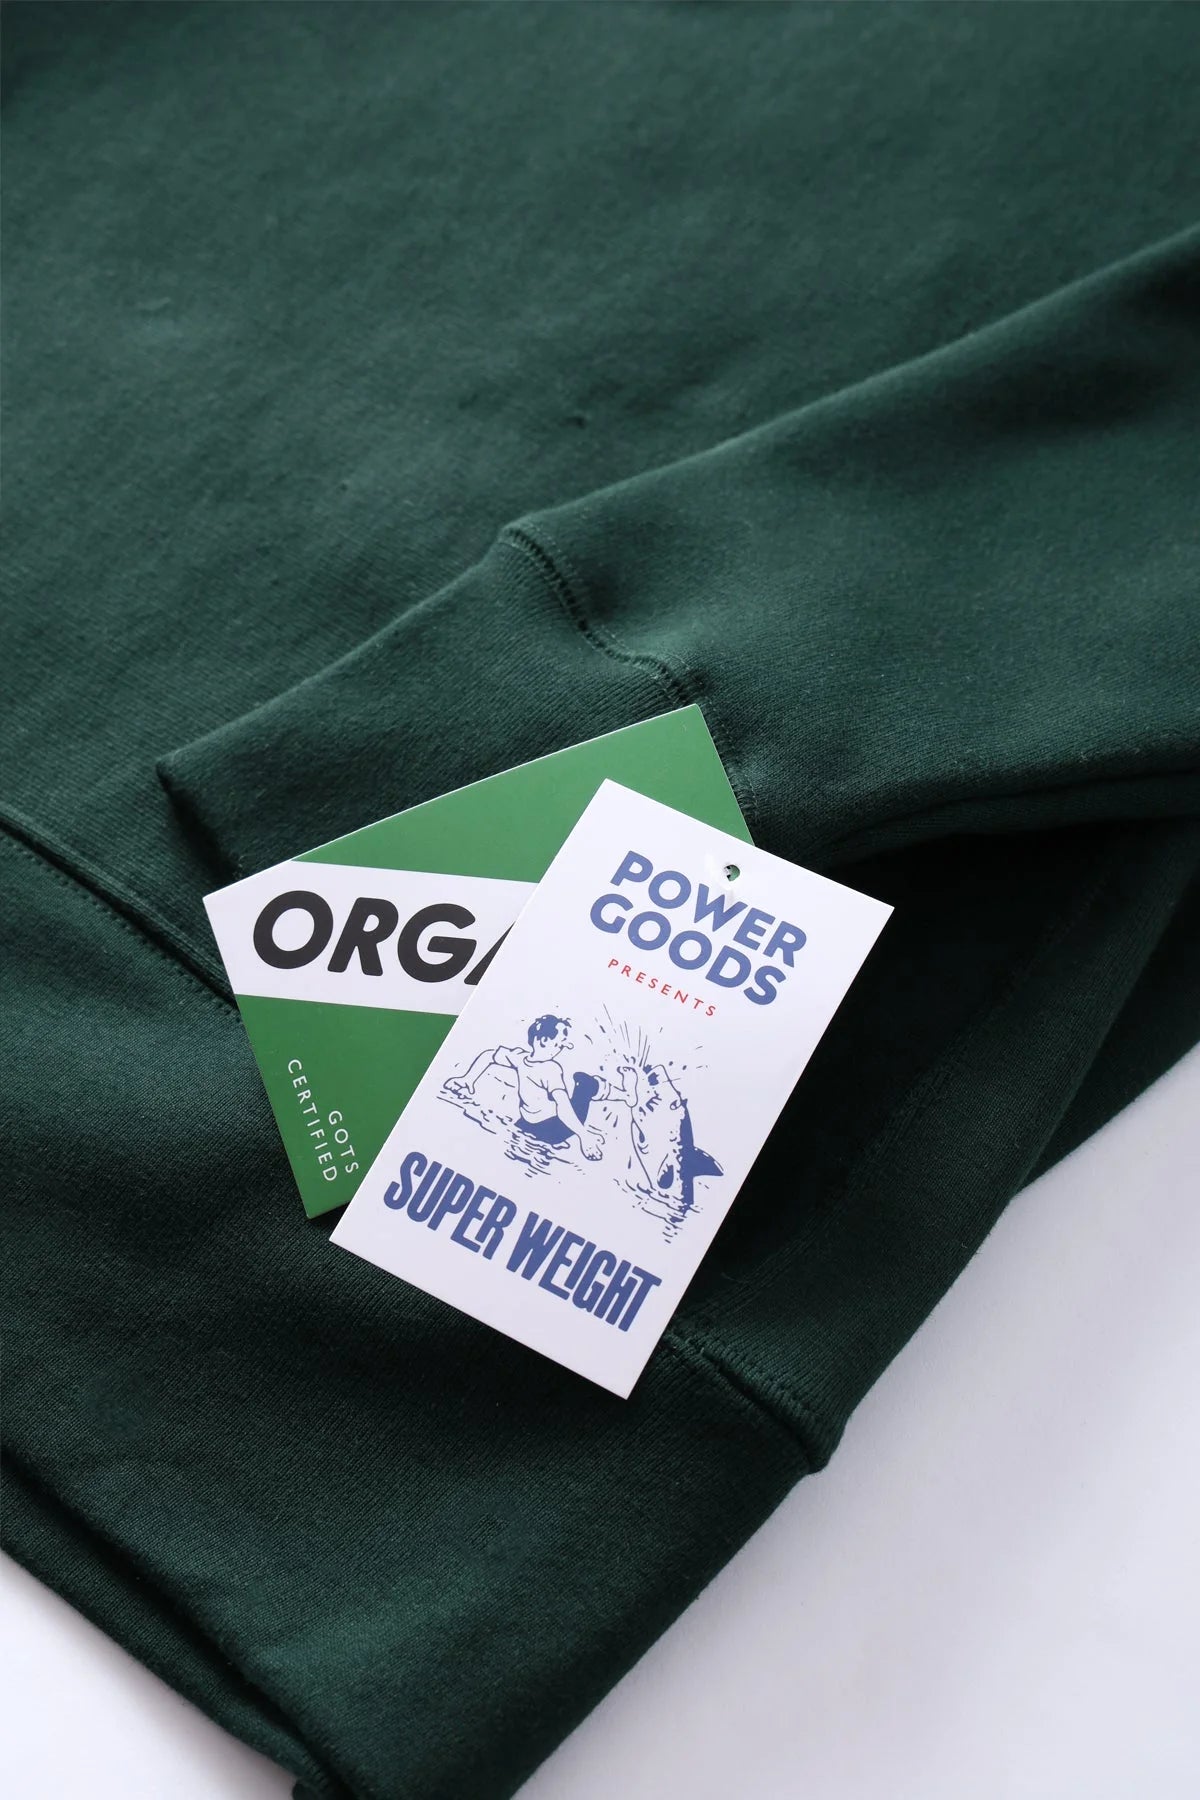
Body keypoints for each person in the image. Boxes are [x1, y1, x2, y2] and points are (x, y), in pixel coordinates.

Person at [444, 1015, 635, 1161]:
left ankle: (628, 1096)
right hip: (546, 1128)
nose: (565, 1046)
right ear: (543, 1041)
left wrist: (584, 1137)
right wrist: (467, 1080)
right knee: (583, 1081)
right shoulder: (539, 1065)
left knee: (583, 1083)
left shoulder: (532, 1063)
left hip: (544, 1126)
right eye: (559, 1043)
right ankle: (625, 1095)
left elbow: (563, 1106)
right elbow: (490, 1055)